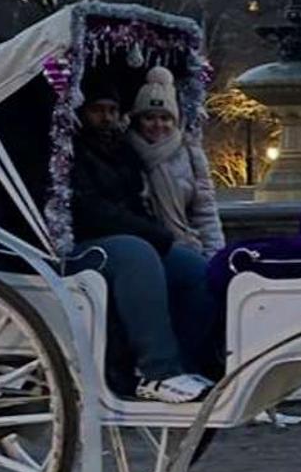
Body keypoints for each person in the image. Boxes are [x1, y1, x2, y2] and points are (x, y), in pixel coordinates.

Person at [68, 75, 221, 402]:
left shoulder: (123, 150)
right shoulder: (71, 152)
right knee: (137, 254)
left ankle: (189, 363)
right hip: (86, 244)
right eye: (98, 110)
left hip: (130, 236)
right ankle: (156, 371)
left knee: (195, 269)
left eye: (111, 110)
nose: (106, 117)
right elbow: (90, 210)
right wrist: (154, 234)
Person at [129, 65, 226, 255]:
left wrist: (215, 254)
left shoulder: (190, 154)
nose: (158, 125)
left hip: (187, 245)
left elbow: (205, 212)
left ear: (175, 121)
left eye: (165, 118)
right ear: (138, 120)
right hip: (146, 248)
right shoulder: (126, 153)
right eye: (149, 117)